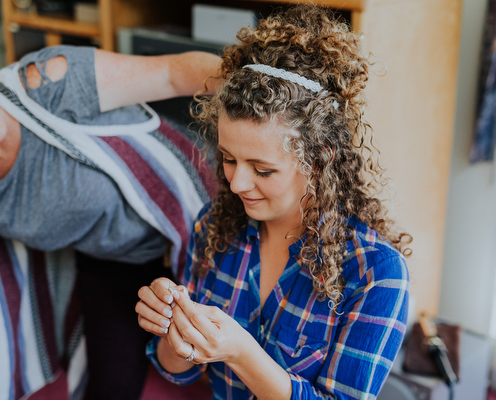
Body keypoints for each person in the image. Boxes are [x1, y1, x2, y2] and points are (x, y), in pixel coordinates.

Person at [135, 5, 412, 400]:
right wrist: (172, 327)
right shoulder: (214, 228)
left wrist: (241, 353)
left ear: (320, 161)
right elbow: (177, 370)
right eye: (228, 159)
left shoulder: (376, 274)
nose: (236, 182)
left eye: (262, 169)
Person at [0, 45, 220, 400]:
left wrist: (267, 98)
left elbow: (173, 73)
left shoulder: (45, 82)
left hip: (202, 225)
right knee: (109, 390)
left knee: (233, 369)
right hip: (114, 260)